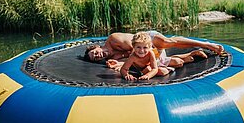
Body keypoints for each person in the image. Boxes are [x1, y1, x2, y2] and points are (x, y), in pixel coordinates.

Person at [84, 31, 224, 70]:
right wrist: (120, 64)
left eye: (95, 52)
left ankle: (207, 45)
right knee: (167, 64)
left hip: (146, 40)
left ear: (96, 47)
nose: (98, 55)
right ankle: (191, 54)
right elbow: (135, 61)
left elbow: (138, 46)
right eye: (96, 58)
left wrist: (123, 63)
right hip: (147, 52)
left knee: (167, 42)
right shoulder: (110, 58)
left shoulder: (114, 39)